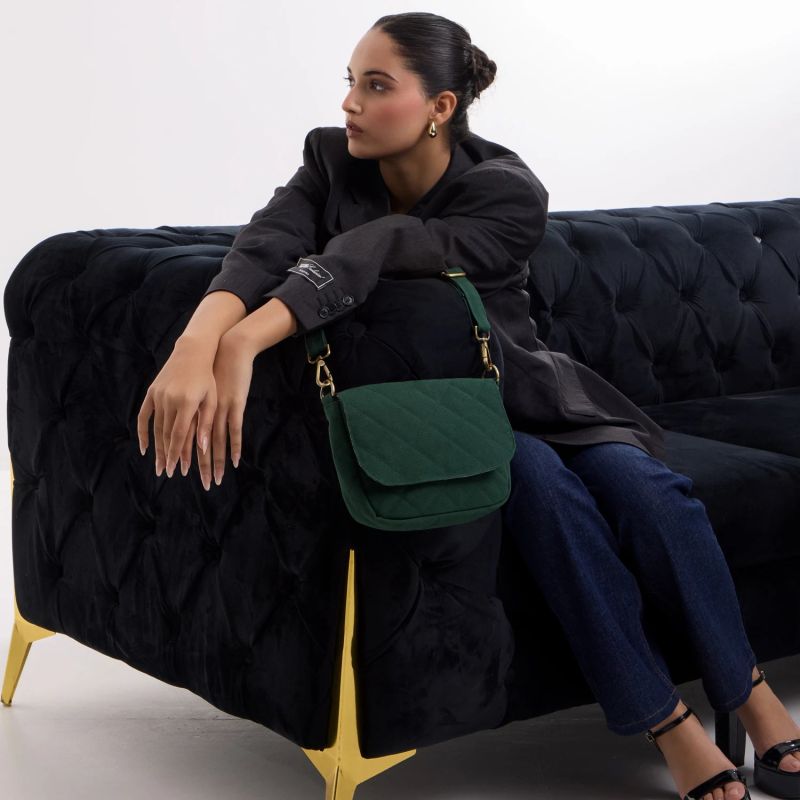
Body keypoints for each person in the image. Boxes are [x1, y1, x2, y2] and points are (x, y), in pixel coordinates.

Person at [136, 11, 800, 800]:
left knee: (649, 492)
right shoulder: (328, 159)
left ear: (441, 106)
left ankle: (750, 693)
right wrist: (196, 345)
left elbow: (377, 249)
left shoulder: (507, 192)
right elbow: (262, 247)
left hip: (531, 396)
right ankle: (667, 721)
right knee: (546, 498)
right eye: (350, 81)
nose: (350, 102)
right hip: (439, 413)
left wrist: (246, 341)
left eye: (376, 85)